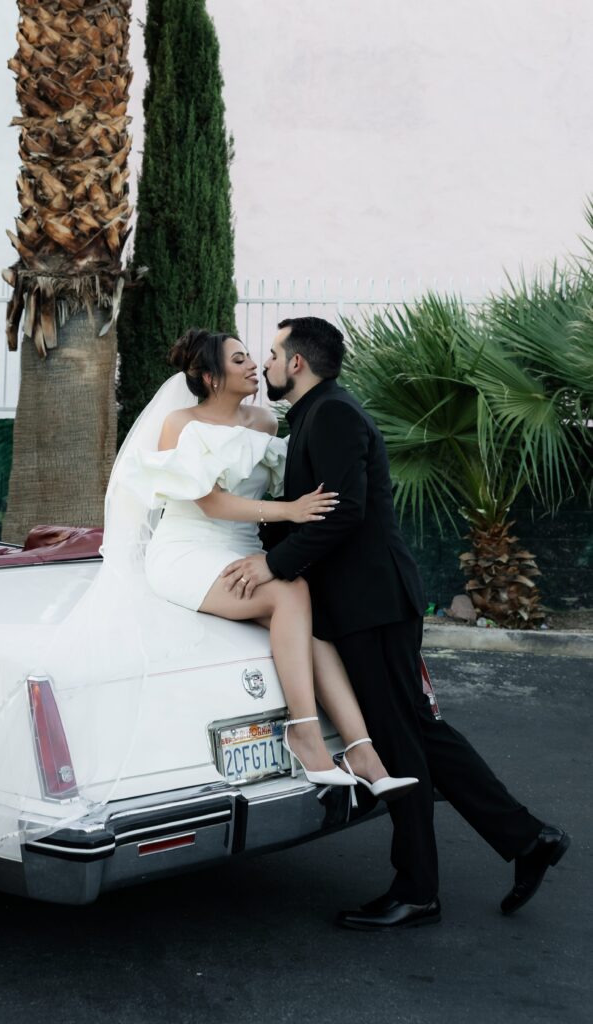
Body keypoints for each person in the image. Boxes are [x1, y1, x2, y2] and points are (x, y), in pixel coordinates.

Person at [221, 315, 570, 930]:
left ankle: (419, 890)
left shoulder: (332, 415)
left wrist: (273, 567)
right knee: (419, 732)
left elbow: (344, 513)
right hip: (366, 603)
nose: (268, 364)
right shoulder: (315, 415)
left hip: (371, 604)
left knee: (397, 741)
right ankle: (526, 838)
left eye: (274, 354)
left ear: (297, 363)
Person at [132, 326, 417, 801]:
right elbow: (209, 502)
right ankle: (304, 733)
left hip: (242, 550)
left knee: (311, 625)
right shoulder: (179, 424)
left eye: (257, 356)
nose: (255, 365)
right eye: (240, 359)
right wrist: (289, 511)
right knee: (291, 589)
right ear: (210, 375)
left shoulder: (265, 423)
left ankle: (362, 751)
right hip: (188, 549)